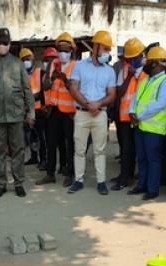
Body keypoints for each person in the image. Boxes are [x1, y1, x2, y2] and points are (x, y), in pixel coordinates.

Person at [0, 28, 35, 199]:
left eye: (5, 43)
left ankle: (18, 183)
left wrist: (31, 113)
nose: (2, 46)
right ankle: (1, 183)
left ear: (10, 44)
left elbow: (27, 90)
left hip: (16, 115)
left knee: (18, 150)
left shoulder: (17, 64)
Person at [67, 30, 117, 195]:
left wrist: (98, 104)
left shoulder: (109, 71)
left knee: (99, 150)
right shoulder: (80, 66)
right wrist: (87, 104)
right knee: (79, 150)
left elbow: (112, 94)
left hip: (100, 115)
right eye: (105, 49)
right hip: (82, 113)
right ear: (95, 47)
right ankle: (78, 180)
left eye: (109, 50)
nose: (107, 53)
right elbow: (73, 88)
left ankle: (101, 182)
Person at [127, 46, 166, 200]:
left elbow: (160, 104)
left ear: (156, 63)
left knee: (153, 159)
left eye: (148, 61)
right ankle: (142, 185)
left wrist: (139, 116)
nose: (145, 64)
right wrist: (131, 111)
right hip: (140, 125)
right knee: (141, 158)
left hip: (154, 128)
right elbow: (136, 97)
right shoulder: (146, 79)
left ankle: (152, 189)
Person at [36, 34, 77, 187]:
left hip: (69, 112)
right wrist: (51, 77)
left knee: (69, 144)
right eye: (60, 50)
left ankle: (69, 174)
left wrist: (65, 80)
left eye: (66, 50)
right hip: (53, 110)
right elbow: (45, 85)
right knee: (51, 142)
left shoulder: (76, 66)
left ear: (71, 51)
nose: (62, 53)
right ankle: (50, 174)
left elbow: (77, 89)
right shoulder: (53, 64)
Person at [111, 37, 147, 191]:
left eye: (134, 58)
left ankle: (135, 177)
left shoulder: (149, 70)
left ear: (141, 55)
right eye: (129, 58)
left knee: (140, 149)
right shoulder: (125, 69)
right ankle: (125, 176)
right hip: (125, 116)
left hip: (142, 117)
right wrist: (130, 77)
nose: (131, 61)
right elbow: (119, 92)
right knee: (126, 148)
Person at [19, 48, 46, 166]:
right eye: (23, 60)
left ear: (32, 59)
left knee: (41, 136)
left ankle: (43, 160)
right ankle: (34, 157)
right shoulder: (21, 75)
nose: (26, 61)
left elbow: (43, 92)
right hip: (27, 110)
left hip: (39, 109)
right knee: (30, 136)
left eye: (27, 59)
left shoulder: (40, 72)